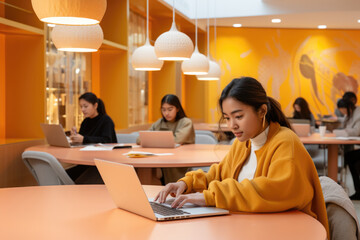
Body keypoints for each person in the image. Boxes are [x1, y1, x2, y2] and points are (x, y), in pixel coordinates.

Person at [155, 77, 329, 238]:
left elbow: (271, 190)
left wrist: (209, 197)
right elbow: (218, 174)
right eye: (227, 118)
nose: (232, 125)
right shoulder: (243, 142)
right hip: (252, 228)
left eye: (238, 116)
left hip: (287, 231)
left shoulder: (286, 142)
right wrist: (186, 184)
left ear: (262, 111)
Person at [138, 94, 195, 184]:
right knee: (143, 167)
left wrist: (154, 140)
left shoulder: (185, 122)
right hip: (160, 159)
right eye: (163, 110)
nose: (166, 113)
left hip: (179, 161)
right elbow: (140, 139)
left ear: (177, 108)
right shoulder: (159, 122)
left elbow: (176, 140)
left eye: (170, 109)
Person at [68, 92, 117, 183]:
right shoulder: (86, 121)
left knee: (71, 178)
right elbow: (83, 138)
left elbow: (107, 140)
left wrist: (83, 139)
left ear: (95, 105)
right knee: (65, 175)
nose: (82, 109)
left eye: (85, 106)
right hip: (86, 161)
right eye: (81, 106)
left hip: (101, 164)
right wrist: (76, 137)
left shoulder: (106, 121)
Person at [336, 98, 360, 200]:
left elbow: (355, 131)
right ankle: (358, 190)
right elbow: (346, 128)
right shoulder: (350, 114)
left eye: (343, 110)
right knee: (350, 158)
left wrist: (342, 131)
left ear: (348, 107)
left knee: (350, 158)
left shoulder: (358, 114)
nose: (343, 113)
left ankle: (358, 190)